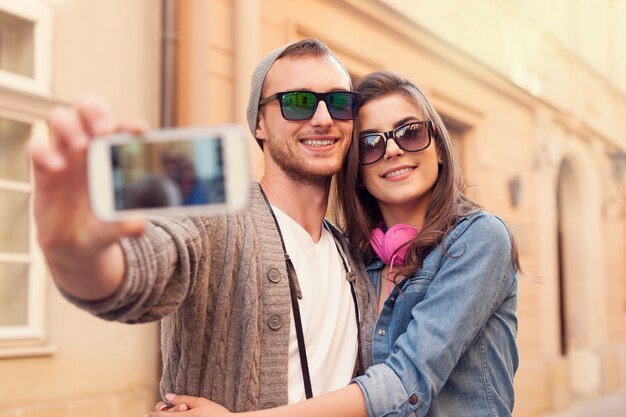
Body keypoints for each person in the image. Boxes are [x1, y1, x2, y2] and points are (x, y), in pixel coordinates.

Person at [29, 38, 376, 411]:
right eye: (298, 102)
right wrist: (77, 256)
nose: (323, 119)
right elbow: (144, 268)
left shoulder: (353, 258)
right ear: (259, 122)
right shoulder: (215, 216)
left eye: (340, 103)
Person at [148, 71, 520, 417]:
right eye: (371, 143)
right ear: (356, 169)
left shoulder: (479, 238)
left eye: (409, 133)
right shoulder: (358, 261)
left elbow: (405, 383)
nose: (392, 151)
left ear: (438, 147)